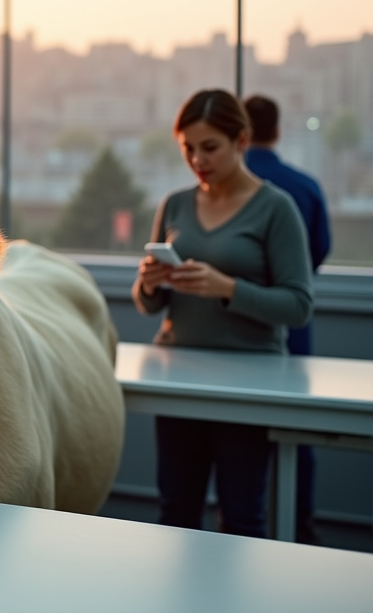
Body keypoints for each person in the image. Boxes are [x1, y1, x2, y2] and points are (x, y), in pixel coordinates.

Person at [133, 88, 314, 539]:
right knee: (176, 513)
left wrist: (227, 288)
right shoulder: (174, 204)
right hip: (179, 379)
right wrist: (150, 284)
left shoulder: (276, 209)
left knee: (241, 519)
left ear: (242, 141)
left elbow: (299, 305)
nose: (197, 159)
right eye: (188, 149)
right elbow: (149, 304)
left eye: (209, 147)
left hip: (249, 383)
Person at [243, 93, 332, 544]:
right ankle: (300, 526)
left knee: (238, 449)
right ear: (277, 130)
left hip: (237, 340)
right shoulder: (304, 186)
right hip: (292, 338)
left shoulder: (239, 192)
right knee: (298, 435)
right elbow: (315, 257)